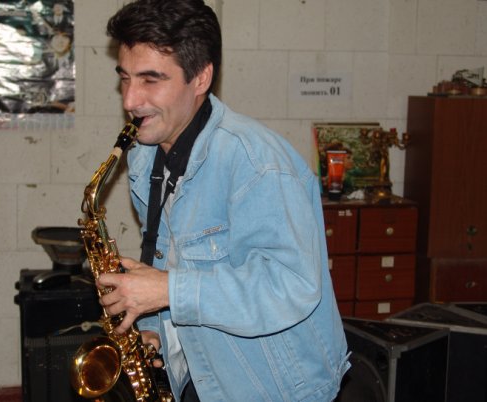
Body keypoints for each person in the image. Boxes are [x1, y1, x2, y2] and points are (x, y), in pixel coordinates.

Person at [97, 1, 350, 401]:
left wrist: (168, 292)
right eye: (125, 78)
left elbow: (291, 286)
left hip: (274, 390)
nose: (130, 100)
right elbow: (171, 263)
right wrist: (156, 332)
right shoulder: (145, 156)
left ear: (201, 77)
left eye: (150, 80)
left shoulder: (257, 163)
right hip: (204, 376)